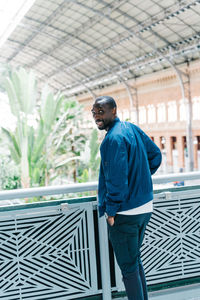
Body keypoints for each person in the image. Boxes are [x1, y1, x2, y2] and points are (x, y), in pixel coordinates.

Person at [91, 96, 162, 300]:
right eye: (94, 112)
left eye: (101, 111)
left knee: (129, 269)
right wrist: (139, 181)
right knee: (134, 261)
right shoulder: (131, 129)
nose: (97, 116)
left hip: (124, 213)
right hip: (144, 207)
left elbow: (117, 179)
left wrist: (111, 211)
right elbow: (155, 155)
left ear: (114, 110)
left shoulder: (112, 139)